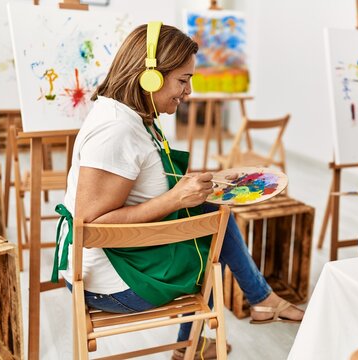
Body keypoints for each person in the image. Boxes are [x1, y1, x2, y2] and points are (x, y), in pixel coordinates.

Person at [53, 22, 303, 359]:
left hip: (122, 261)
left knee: (214, 221)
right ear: (150, 76)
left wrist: (186, 188)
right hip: (109, 283)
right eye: (183, 81)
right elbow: (91, 225)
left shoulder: (137, 115)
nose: (188, 92)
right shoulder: (116, 130)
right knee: (212, 246)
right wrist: (174, 198)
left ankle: (244, 311)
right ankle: (243, 312)